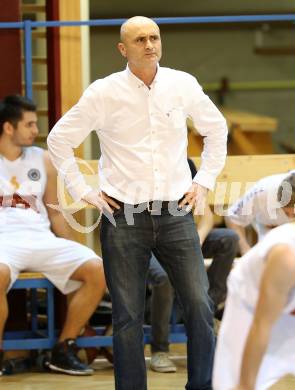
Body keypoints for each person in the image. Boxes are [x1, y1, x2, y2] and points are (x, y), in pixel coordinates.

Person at [47, 16, 228, 390]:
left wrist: (204, 181)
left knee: (199, 305)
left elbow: (217, 129)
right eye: (140, 39)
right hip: (122, 216)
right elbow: (58, 139)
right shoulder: (103, 92)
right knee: (128, 316)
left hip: (176, 212)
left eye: (154, 37)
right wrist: (83, 190)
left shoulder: (182, 84)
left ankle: (203, 385)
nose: (149, 44)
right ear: (122, 49)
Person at [0, 95, 106, 376]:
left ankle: (63, 348)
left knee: (97, 269)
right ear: (9, 128)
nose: (36, 130)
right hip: (4, 241)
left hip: (40, 238)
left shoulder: (43, 158)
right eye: (30, 124)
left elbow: (56, 213)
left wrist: (77, 252)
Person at [148, 159, 239, 373]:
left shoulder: (185, 164)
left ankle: (210, 308)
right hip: (147, 243)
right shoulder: (145, 164)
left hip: (182, 238)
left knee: (228, 238)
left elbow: (206, 217)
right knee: (164, 278)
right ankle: (159, 350)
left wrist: (197, 239)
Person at [213, 221, 295, 390]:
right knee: (237, 384)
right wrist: (245, 385)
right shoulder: (287, 256)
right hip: (250, 306)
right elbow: (261, 325)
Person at [225, 170, 295, 254]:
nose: (290, 218)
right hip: (269, 228)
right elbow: (233, 219)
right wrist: (245, 251)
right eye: (287, 213)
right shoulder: (261, 192)